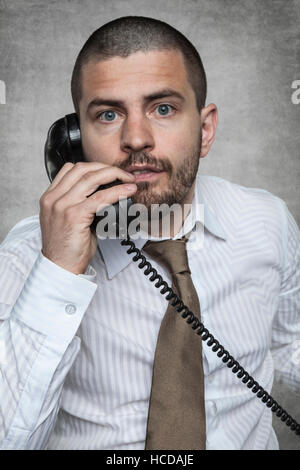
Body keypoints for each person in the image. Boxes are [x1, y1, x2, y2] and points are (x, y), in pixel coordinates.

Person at [0, 16, 299, 450]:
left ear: (205, 127)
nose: (136, 138)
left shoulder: (267, 221)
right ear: (74, 140)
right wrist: (58, 270)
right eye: (108, 114)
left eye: (163, 109)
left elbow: (291, 348)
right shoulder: (28, 256)